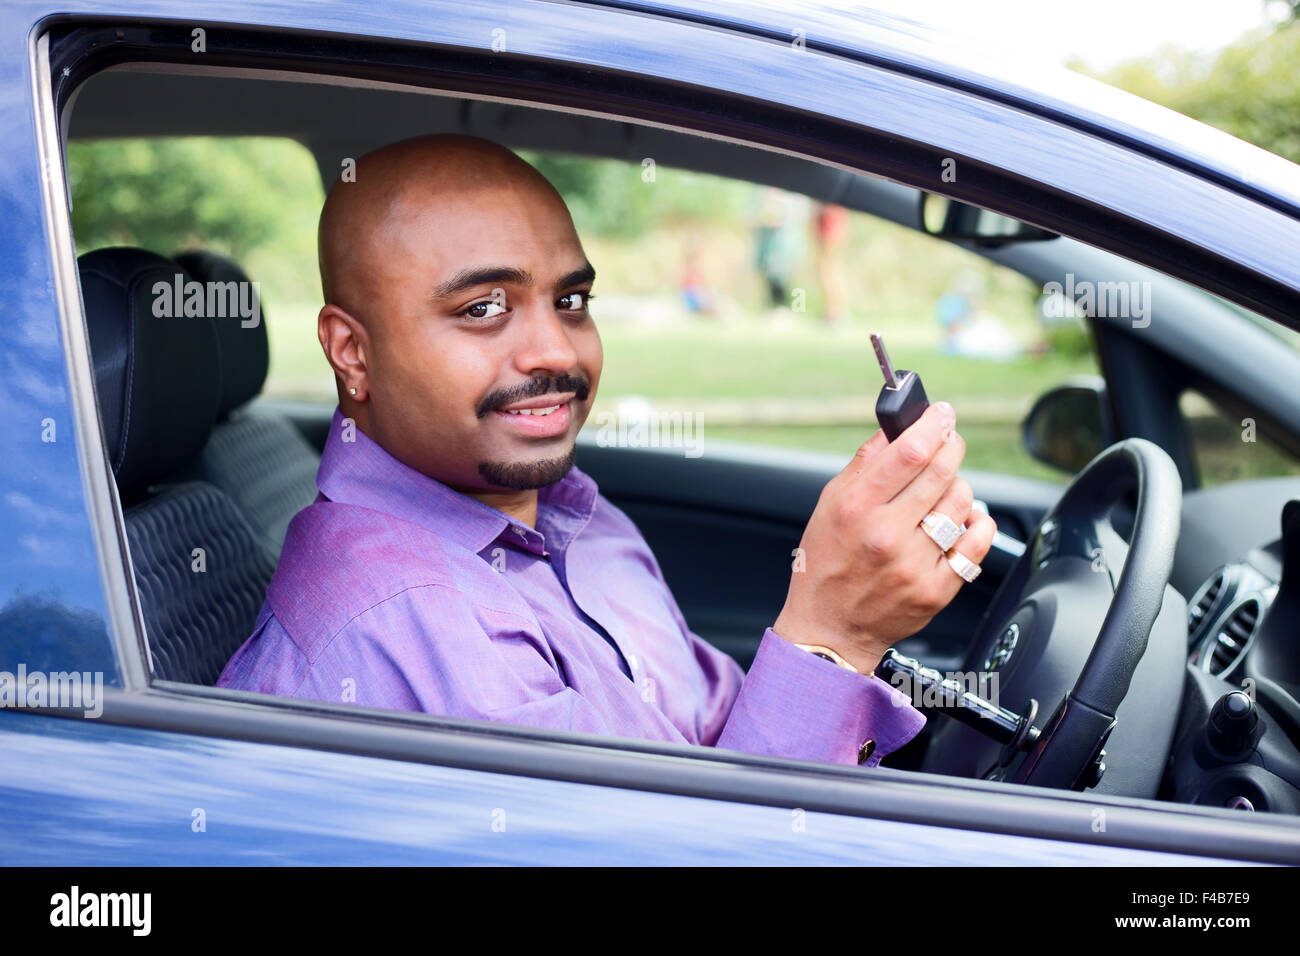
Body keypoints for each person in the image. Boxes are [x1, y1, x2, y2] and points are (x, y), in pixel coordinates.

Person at [216, 134, 996, 768]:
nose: (555, 351)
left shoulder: (577, 520)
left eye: (572, 301)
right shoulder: (400, 627)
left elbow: (714, 740)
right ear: (351, 353)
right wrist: (833, 636)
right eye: (484, 308)